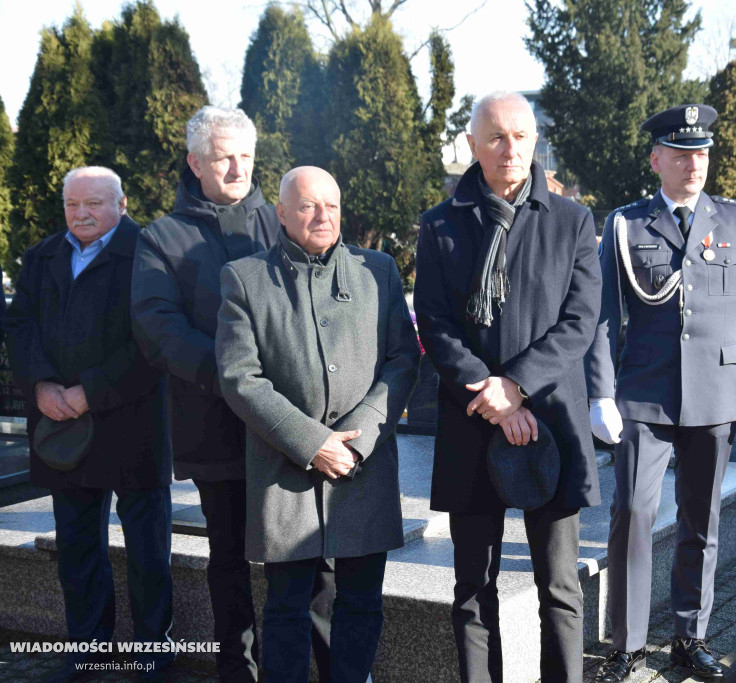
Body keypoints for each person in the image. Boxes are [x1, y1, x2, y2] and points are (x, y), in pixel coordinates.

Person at [585, 104, 736, 681]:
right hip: (643, 394)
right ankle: (627, 645)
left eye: (700, 154)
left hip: (714, 393)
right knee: (633, 514)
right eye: (680, 154)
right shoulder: (626, 225)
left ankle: (689, 638)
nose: (693, 164)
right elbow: (603, 316)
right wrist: (600, 393)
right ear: (657, 160)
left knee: (702, 520)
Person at [131, 106, 334, 682]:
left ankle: (331, 667)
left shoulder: (282, 220)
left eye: (246, 156)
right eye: (223, 157)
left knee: (312, 557)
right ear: (195, 162)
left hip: (292, 423)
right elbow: (158, 328)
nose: (238, 169)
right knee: (229, 560)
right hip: (215, 426)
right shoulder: (160, 238)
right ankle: (238, 671)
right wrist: (239, 380)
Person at [414, 91, 601, 683]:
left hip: (551, 419)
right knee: (473, 587)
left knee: (560, 588)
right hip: (472, 418)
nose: (510, 148)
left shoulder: (571, 221)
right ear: (473, 144)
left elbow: (580, 321)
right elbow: (435, 322)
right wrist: (492, 397)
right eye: (496, 137)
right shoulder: (441, 224)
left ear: (535, 141)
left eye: (520, 136)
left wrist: (516, 386)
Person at [216, 166, 420, 682]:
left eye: (331, 205)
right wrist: (311, 442)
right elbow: (240, 377)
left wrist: (357, 439)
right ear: (282, 213)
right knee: (287, 606)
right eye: (307, 206)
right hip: (284, 470)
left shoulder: (379, 271)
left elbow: (402, 361)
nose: (322, 216)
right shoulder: (245, 278)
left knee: (362, 602)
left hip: (364, 466)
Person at [6, 166, 173, 681]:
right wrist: (41, 385)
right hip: (62, 426)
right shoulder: (42, 256)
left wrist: (90, 392)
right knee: (77, 547)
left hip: (133, 424)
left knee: (147, 549)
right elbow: (19, 326)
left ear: (121, 205)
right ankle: (88, 650)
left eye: (94, 203)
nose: (81, 214)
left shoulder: (149, 253)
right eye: (72, 204)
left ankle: (153, 653)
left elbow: (153, 341)